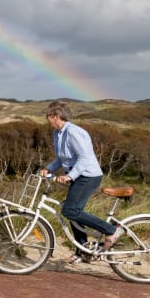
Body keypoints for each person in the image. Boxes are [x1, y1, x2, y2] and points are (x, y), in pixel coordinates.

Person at [41, 100, 121, 262]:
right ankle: (83, 251)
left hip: (88, 176)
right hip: (78, 176)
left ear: (56, 116)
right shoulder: (57, 133)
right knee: (72, 212)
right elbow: (62, 158)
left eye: (48, 116)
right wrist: (48, 169)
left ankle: (111, 230)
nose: (46, 119)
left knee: (70, 211)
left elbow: (84, 157)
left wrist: (70, 176)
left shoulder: (73, 132)